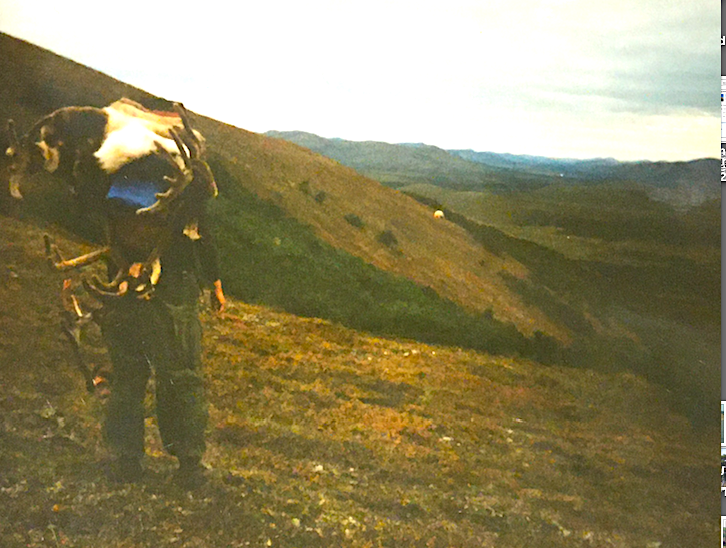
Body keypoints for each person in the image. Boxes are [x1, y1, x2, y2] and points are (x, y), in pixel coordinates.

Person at [99, 203, 225, 488]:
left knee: (127, 374)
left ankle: (125, 460)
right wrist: (215, 282)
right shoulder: (187, 176)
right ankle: (189, 463)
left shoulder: (113, 174)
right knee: (181, 374)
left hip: (122, 281)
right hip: (173, 287)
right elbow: (202, 231)